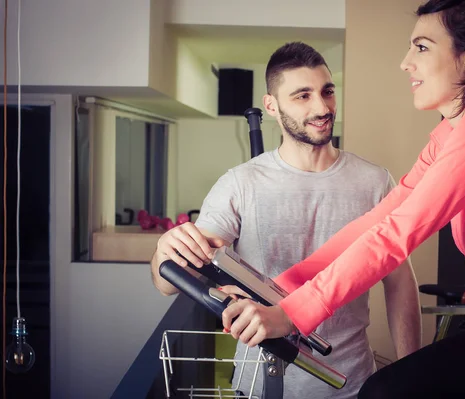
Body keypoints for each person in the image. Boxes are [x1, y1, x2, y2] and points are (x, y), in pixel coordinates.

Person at [220, 1, 465, 397]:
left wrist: (292, 315)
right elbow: (381, 218)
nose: (405, 62)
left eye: (421, 47)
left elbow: (397, 235)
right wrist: (281, 288)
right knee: (388, 390)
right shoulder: (454, 132)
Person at [150, 42, 422, 398]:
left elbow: (399, 282)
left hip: (352, 383)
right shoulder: (240, 184)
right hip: (261, 383)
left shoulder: (374, 181)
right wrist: (163, 251)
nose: (322, 107)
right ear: (272, 106)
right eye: (302, 96)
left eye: (327, 91)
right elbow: (168, 282)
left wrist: (413, 375)